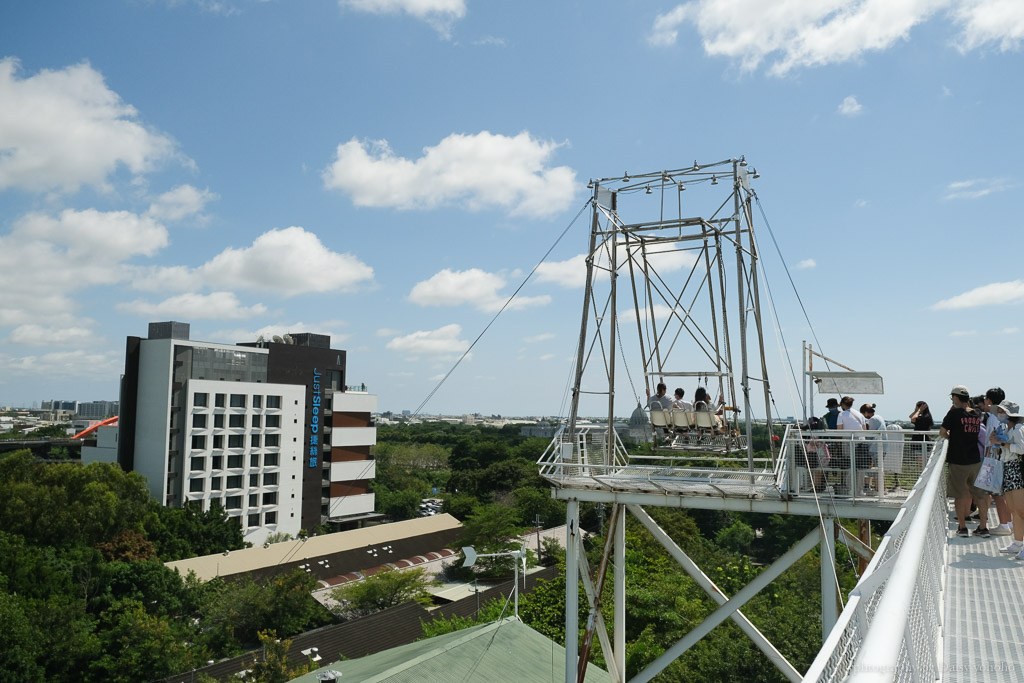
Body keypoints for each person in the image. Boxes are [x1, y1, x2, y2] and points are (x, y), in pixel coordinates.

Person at [940, 384, 985, 537]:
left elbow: (942, 432)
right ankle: (983, 527)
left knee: (960, 495)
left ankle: (962, 527)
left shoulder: (953, 414)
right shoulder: (976, 414)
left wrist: (952, 436)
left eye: (952, 397)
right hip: (975, 460)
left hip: (958, 460)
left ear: (956, 398)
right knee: (979, 494)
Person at [991, 401, 1024, 557]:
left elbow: (1021, 449)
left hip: (1017, 470)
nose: (999, 414)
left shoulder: (1018, 430)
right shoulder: (1006, 429)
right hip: (1009, 468)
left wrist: (1002, 442)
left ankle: (1020, 544)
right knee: (1014, 510)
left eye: (1001, 411)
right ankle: (1018, 543)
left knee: (1021, 511)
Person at [982, 387, 1014, 536]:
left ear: (989, 400)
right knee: (1001, 494)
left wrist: (987, 459)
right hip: (1000, 458)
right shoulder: (1003, 417)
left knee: (997, 494)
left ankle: (1004, 525)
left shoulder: (994, 418)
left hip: (994, 458)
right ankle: (1007, 523)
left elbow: (994, 441)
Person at [861, 404, 886, 492]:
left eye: (863, 414)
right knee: (879, 468)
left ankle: (879, 489)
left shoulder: (872, 419)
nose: (864, 417)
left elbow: (870, 434)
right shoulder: (879, 417)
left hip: (875, 447)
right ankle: (880, 488)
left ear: (866, 412)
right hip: (882, 446)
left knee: (875, 469)